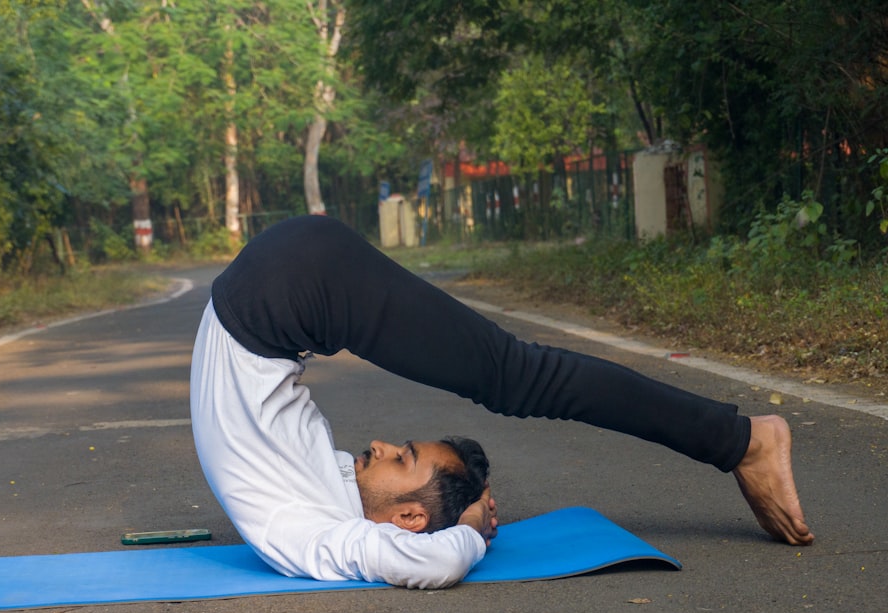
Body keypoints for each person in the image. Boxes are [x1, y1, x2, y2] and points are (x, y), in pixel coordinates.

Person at [189, 216, 813, 589]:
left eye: (399, 456)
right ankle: (741, 441)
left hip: (290, 287)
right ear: (409, 519)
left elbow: (422, 561)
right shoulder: (322, 520)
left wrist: (461, 523)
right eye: (404, 455)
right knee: (516, 375)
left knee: (518, 375)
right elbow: (425, 558)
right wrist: (463, 522)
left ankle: (742, 441)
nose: (376, 446)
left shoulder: (298, 529)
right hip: (284, 286)